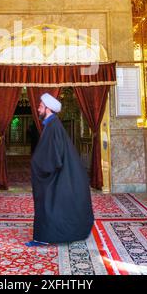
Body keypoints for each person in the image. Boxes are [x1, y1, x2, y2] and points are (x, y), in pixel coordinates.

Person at [25, 92, 94, 247]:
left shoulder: (53, 126)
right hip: (60, 173)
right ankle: (47, 234)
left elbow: (53, 156)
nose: (38, 109)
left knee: (52, 202)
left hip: (57, 175)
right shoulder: (52, 124)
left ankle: (46, 236)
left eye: (40, 106)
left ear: (48, 109)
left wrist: (38, 164)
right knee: (53, 203)